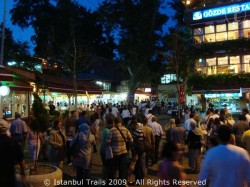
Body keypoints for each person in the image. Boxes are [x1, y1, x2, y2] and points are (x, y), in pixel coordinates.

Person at [106, 117, 133, 185]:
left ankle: (112, 183)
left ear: (114, 122)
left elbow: (107, 141)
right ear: (121, 122)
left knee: (113, 169)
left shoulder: (112, 130)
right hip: (123, 152)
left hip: (114, 153)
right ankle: (121, 183)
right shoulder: (125, 129)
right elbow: (131, 140)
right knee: (122, 169)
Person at [0, 119, 27, 187]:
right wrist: (23, 171)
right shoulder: (13, 142)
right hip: (9, 175)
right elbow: (21, 159)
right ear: (7, 128)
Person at [100, 117, 114, 181]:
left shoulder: (105, 130)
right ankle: (105, 178)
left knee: (106, 165)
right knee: (106, 165)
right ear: (109, 124)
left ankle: (104, 178)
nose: (113, 125)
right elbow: (108, 141)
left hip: (103, 149)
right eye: (112, 124)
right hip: (105, 150)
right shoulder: (108, 131)